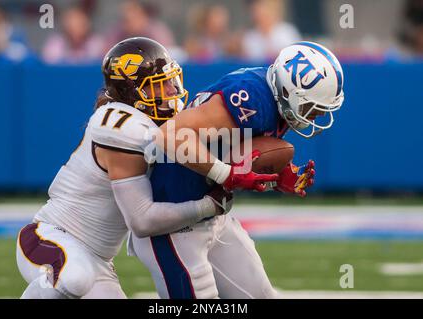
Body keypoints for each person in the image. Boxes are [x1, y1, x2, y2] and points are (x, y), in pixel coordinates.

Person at [16, 37, 272, 299]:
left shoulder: (155, 122)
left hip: (98, 260)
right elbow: (142, 220)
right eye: (161, 84)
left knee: (80, 276)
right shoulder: (122, 128)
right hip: (50, 237)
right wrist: (209, 205)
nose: (173, 90)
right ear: (133, 92)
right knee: (74, 278)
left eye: (172, 80)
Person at [130, 41, 344, 298]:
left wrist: (277, 178)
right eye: (312, 108)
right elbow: (170, 135)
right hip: (173, 220)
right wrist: (226, 175)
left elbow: (232, 149)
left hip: (213, 214)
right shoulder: (253, 97)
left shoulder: (272, 96)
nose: (315, 117)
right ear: (289, 92)